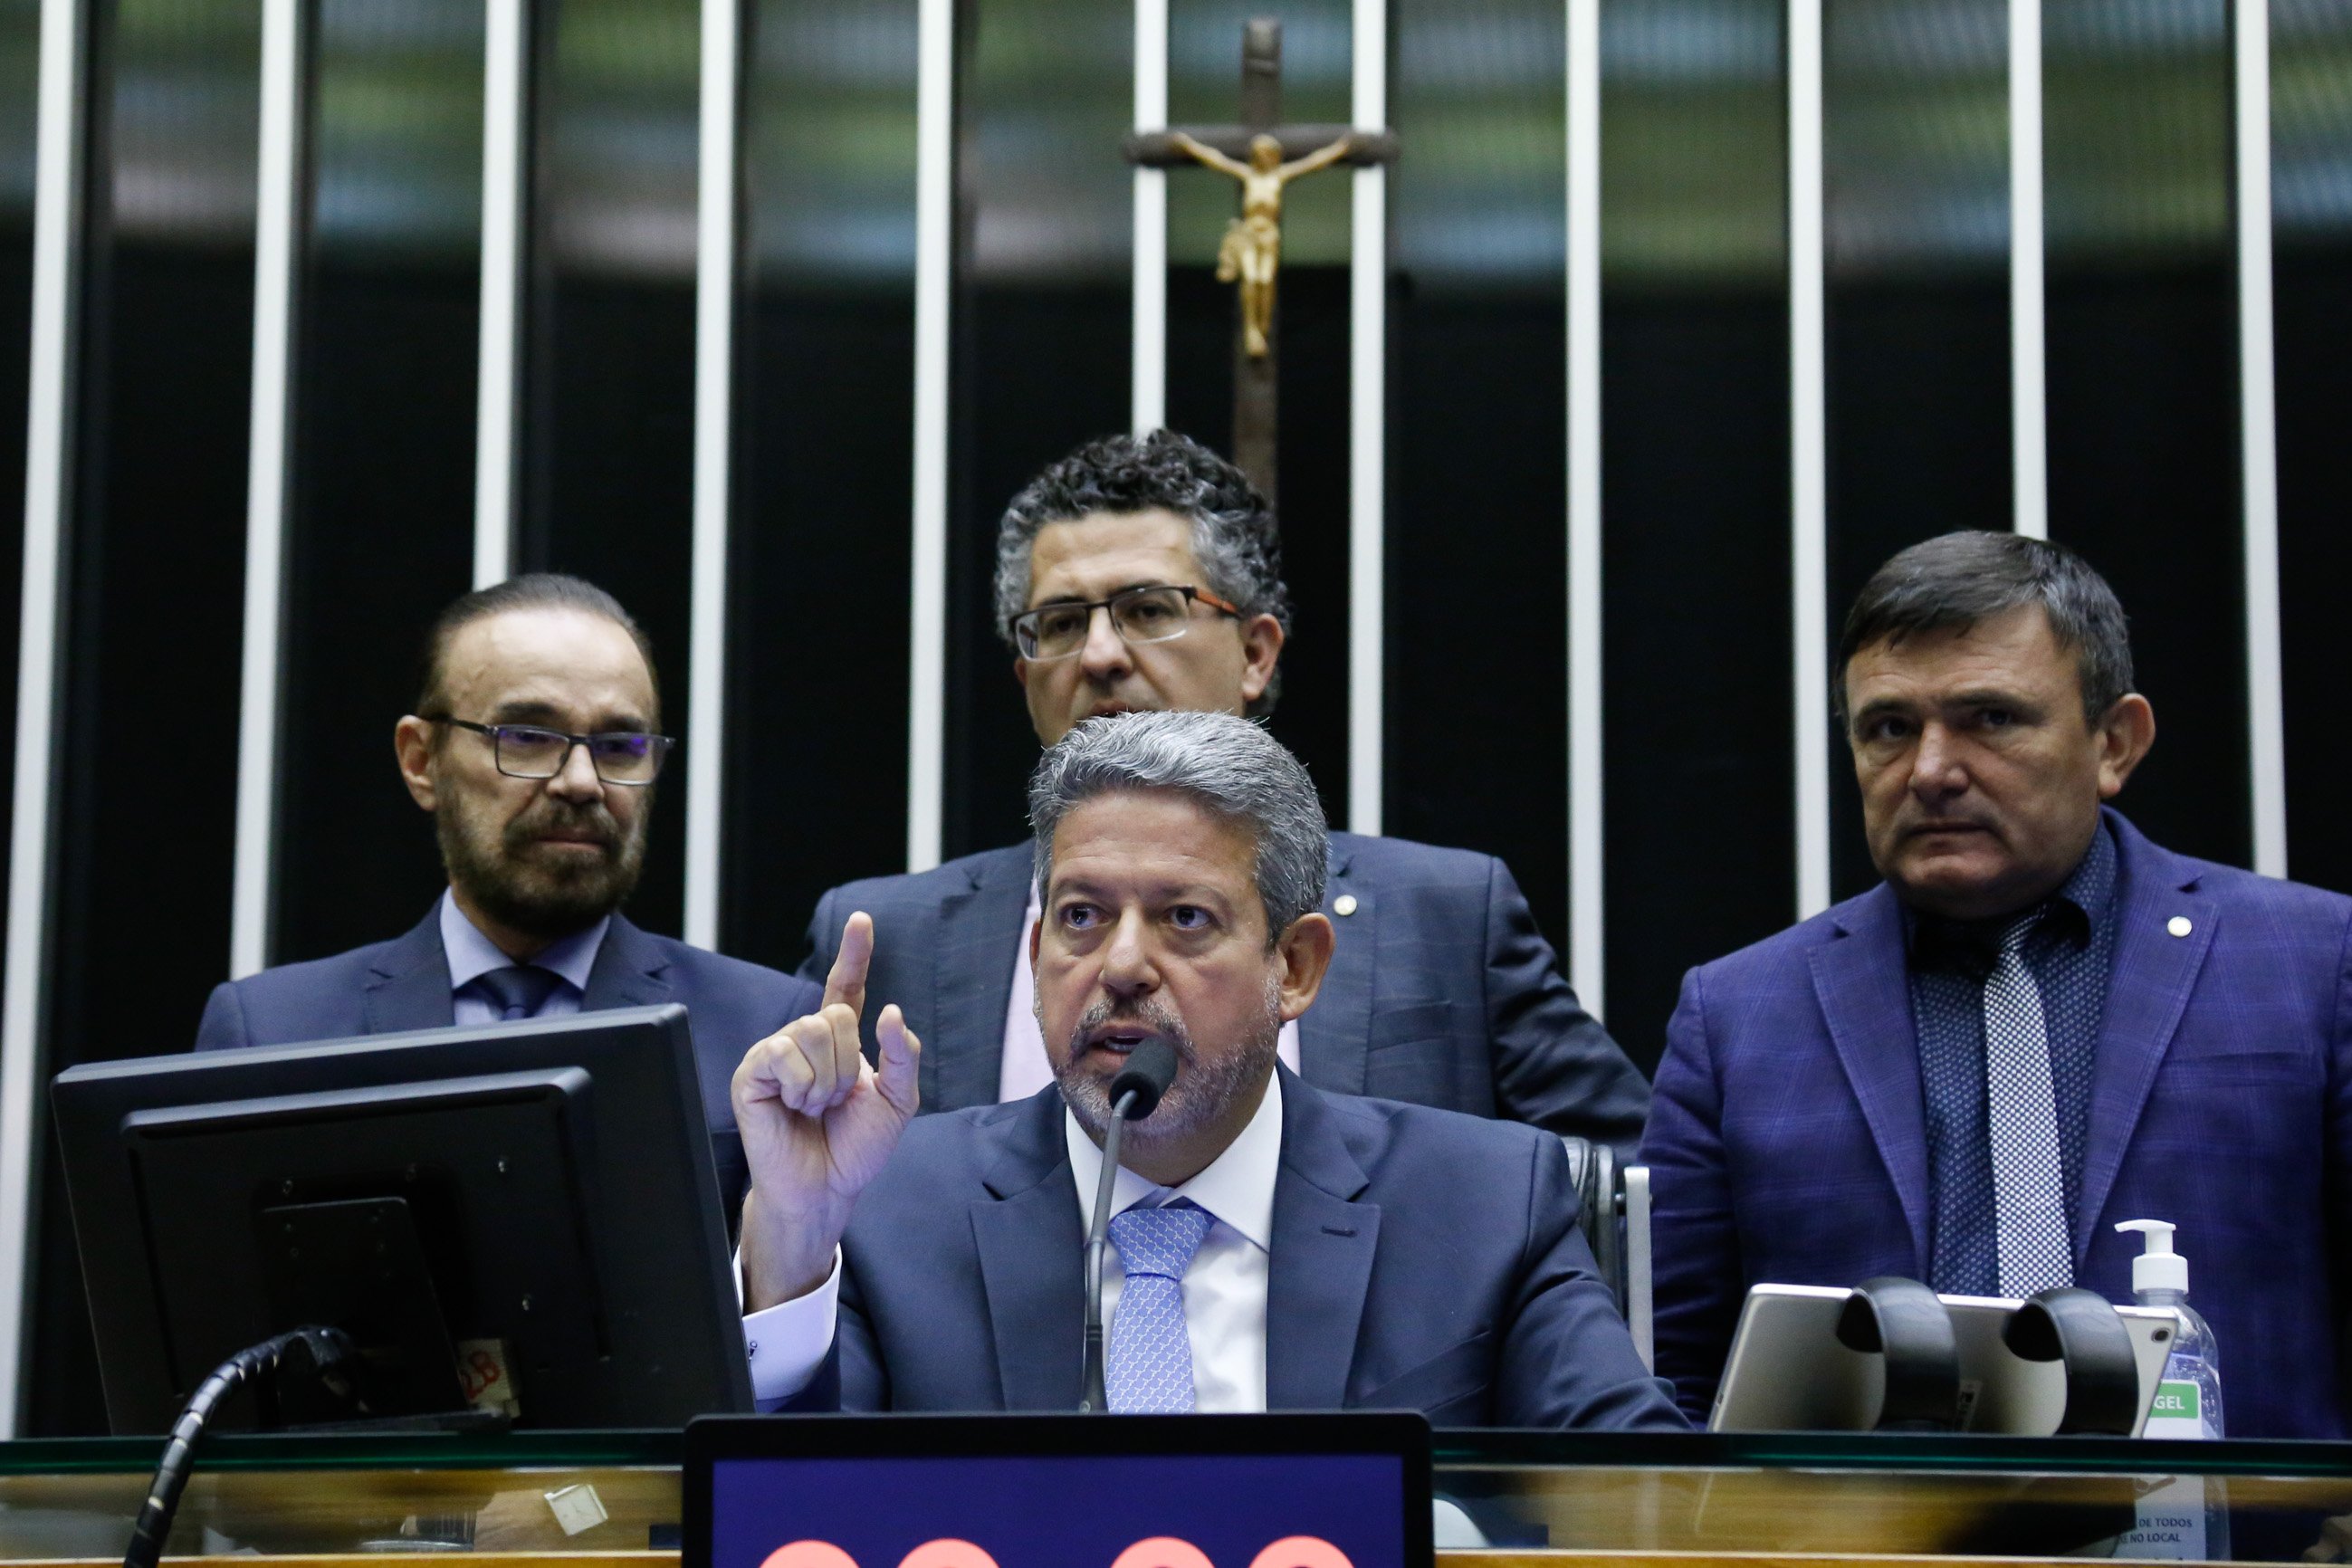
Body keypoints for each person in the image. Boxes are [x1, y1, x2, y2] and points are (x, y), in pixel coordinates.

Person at [735, 710, 1684, 1425]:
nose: (1120, 965)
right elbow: (782, 1516)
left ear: (1297, 967)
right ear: (1035, 962)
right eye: (1081, 915)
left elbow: (1648, 1497)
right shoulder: (891, 1203)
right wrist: (794, 1236)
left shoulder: (1483, 1204)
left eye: (1185, 917)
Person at [1641, 531, 2352, 1439]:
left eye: (1991, 718)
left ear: (2115, 743)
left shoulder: (2310, 962)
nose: (1932, 771)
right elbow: (1661, 1374)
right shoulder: (1738, 1017)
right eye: (1891, 728)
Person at [800, 430, 1650, 1152]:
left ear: (1255, 653)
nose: (1098, 655)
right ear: (1026, 675)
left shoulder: (1447, 916)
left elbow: (1634, 1189)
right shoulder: (885, 941)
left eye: (1146, 609)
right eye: (1060, 623)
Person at [194, 574, 819, 1204]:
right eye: (526, 736)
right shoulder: (271, 1036)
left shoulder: (764, 1030)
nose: (581, 781)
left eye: (620, 746)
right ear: (420, 760)